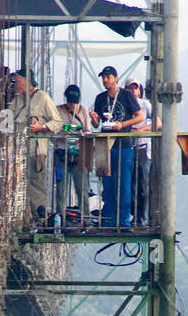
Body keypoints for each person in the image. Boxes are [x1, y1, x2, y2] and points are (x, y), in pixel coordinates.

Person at [89, 65, 143, 228]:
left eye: (108, 77)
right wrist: (94, 117)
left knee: (124, 184)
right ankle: (109, 219)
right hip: (105, 145)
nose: (105, 80)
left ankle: (124, 220)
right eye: (103, 77)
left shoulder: (127, 96)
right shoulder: (100, 98)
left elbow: (139, 116)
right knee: (108, 184)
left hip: (124, 144)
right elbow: (97, 124)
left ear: (116, 78)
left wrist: (123, 124)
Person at [7, 67, 62, 223]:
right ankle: (24, 217)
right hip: (17, 151)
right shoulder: (17, 100)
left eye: (18, 81)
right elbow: (7, 120)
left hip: (36, 150)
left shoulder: (43, 98)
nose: (15, 84)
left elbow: (57, 122)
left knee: (35, 184)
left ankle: (40, 219)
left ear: (27, 82)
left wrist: (42, 127)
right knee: (19, 184)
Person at [54, 84, 91, 222]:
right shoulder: (58, 110)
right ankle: (61, 218)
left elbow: (88, 130)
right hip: (61, 152)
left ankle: (86, 220)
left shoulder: (83, 110)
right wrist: (63, 135)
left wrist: (80, 135)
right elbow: (54, 131)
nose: (72, 103)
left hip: (78, 154)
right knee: (60, 189)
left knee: (82, 188)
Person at [125, 79, 153, 229]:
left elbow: (159, 121)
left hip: (142, 147)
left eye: (135, 88)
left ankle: (141, 218)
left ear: (140, 91)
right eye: (130, 88)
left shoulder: (145, 105)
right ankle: (131, 217)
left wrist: (145, 129)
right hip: (127, 147)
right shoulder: (124, 105)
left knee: (142, 185)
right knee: (129, 185)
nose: (133, 91)